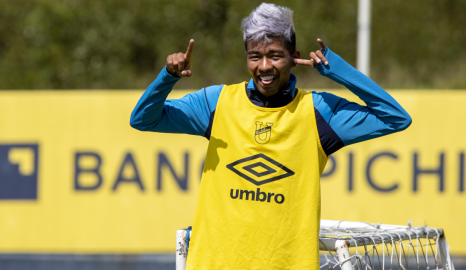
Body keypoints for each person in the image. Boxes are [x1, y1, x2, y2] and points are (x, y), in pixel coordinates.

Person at [130, 3, 411, 269]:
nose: (264, 66)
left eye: (275, 55)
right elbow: (142, 119)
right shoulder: (216, 102)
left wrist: (338, 70)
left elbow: (396, 118)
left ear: (294, 56)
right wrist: (167, 77)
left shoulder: (319, 111)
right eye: (255, 56)